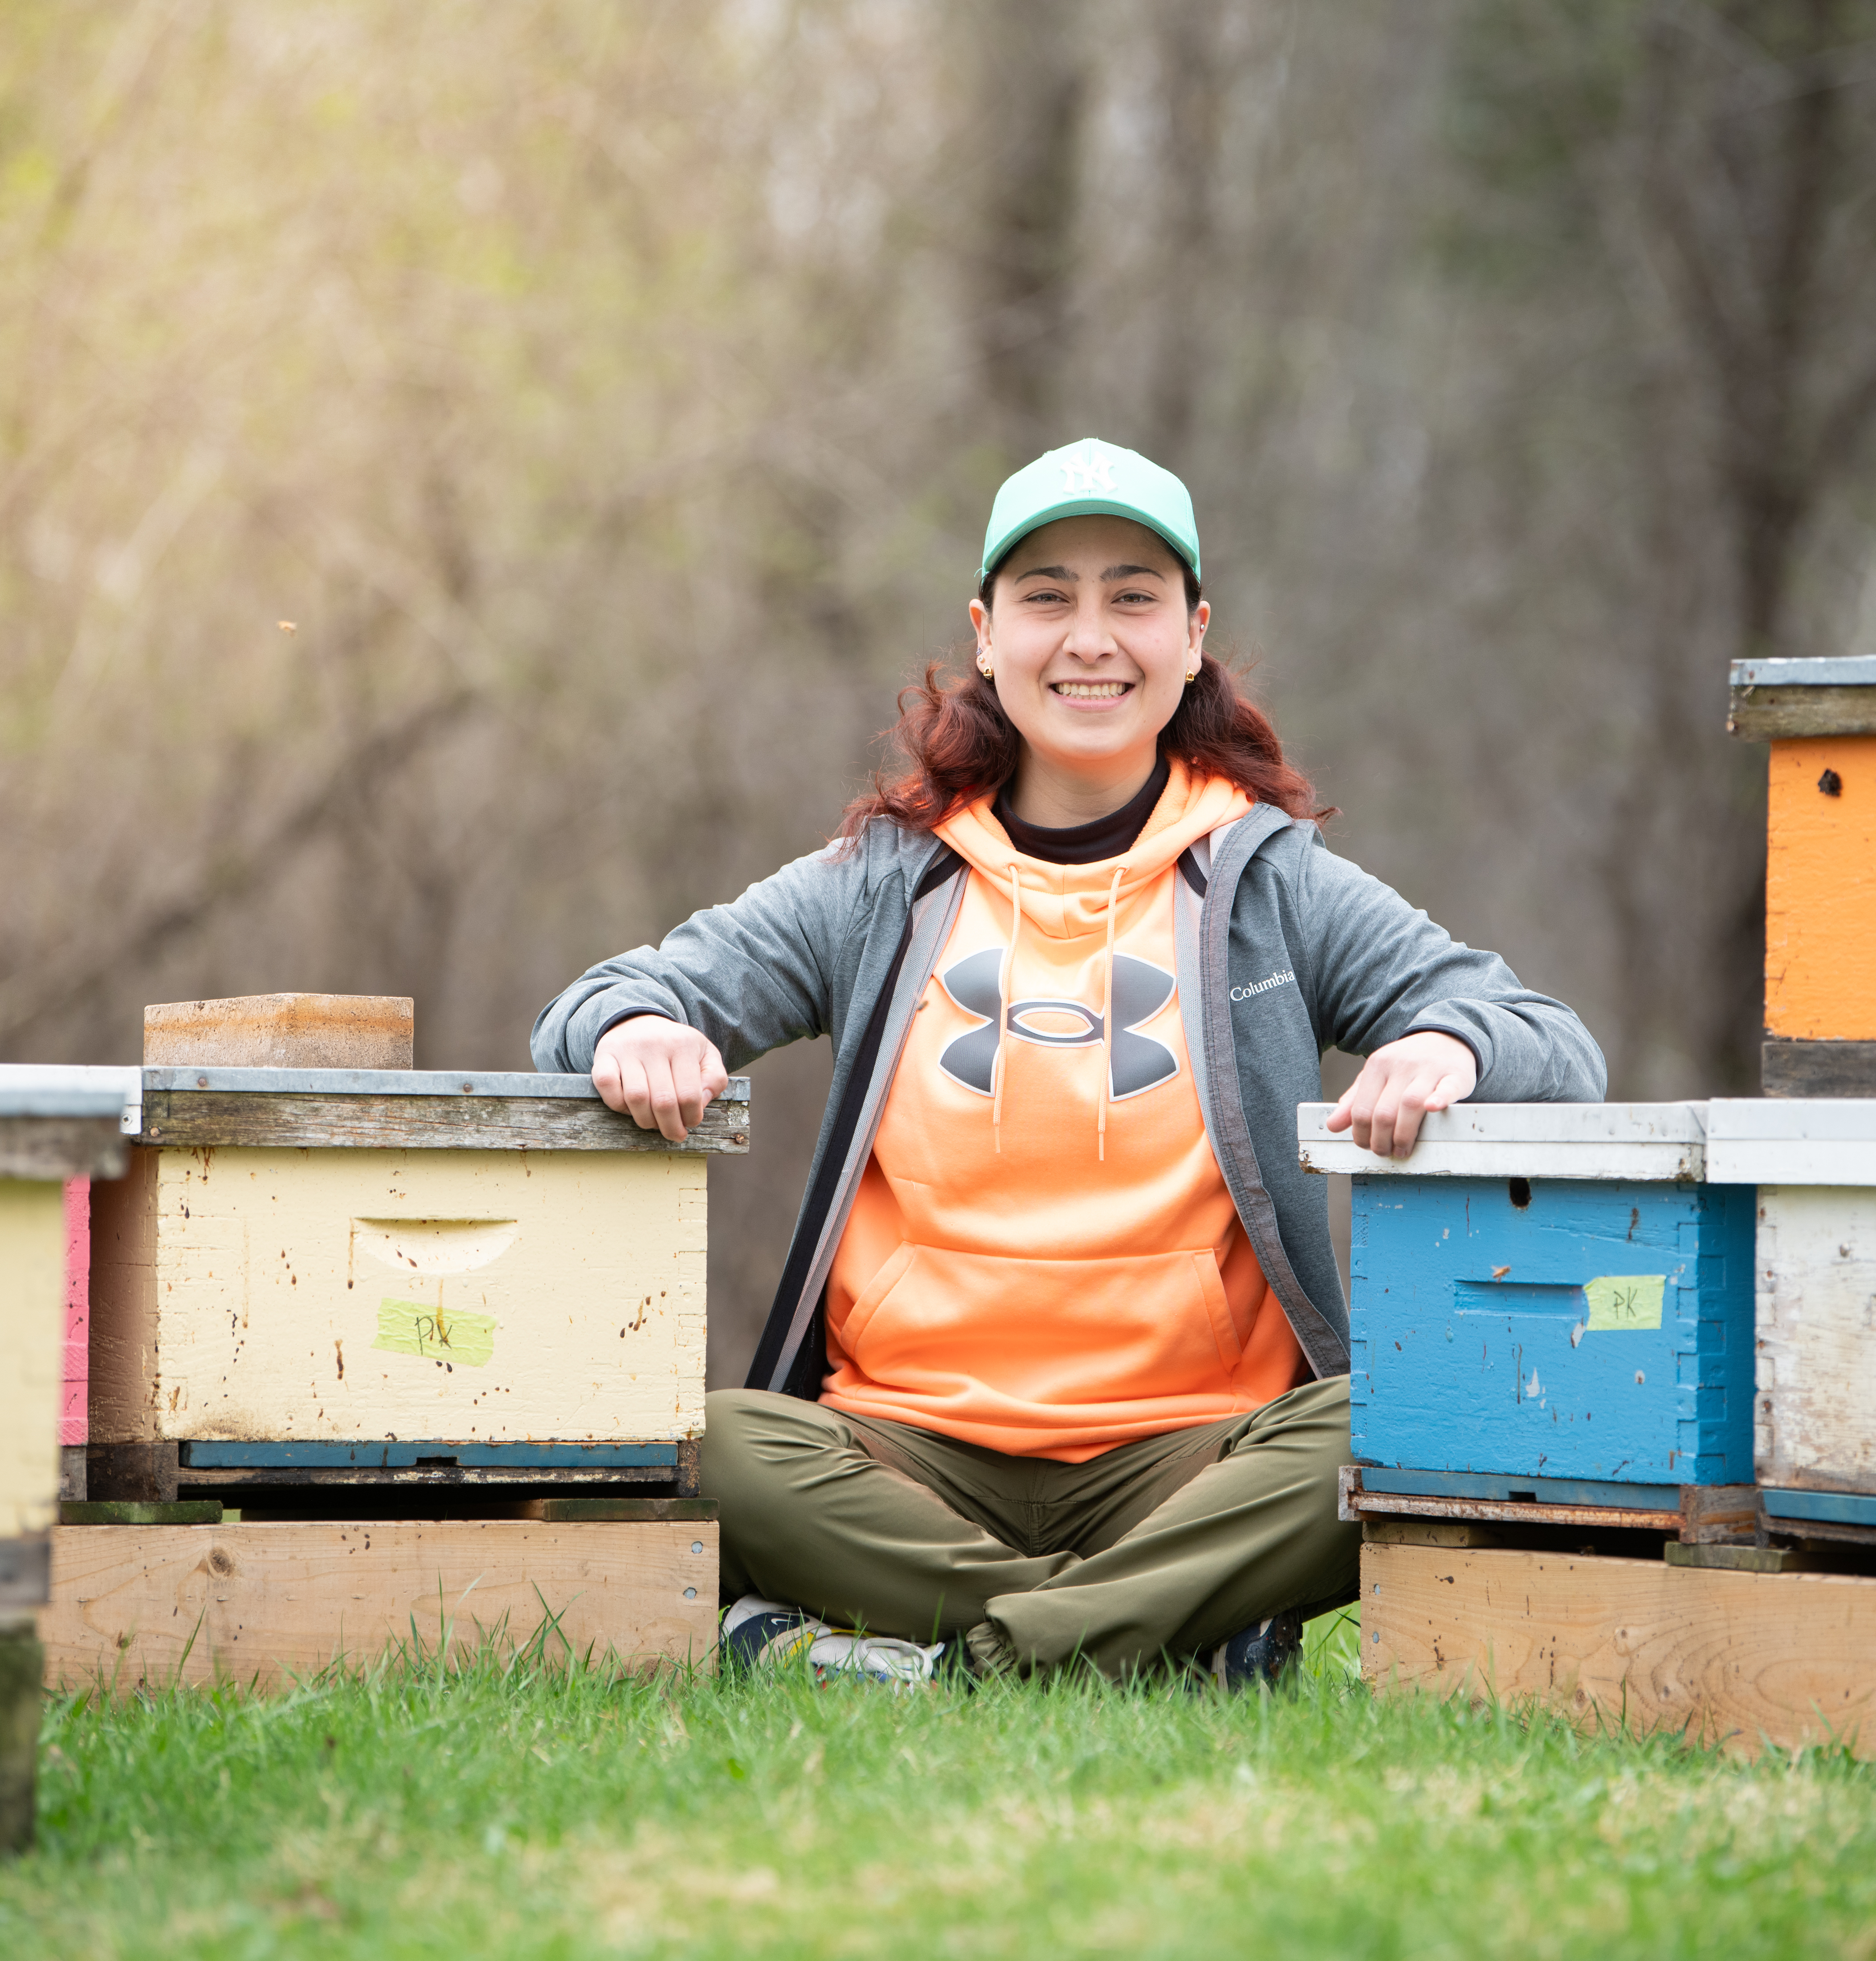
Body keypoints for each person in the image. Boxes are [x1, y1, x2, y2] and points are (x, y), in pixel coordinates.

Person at [532, 437, 1604, 1687]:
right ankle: (1159, 1637)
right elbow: (609, 995)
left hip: (1198, 1460)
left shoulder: (1268, 883)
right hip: (906, 1453)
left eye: (1132, 596)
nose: (1090, 636)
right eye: (1049, 596)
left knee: (1404, 1410)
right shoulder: (886, 882)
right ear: (987, 634)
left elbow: (1548, 1037)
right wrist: (637, 1030)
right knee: (706, 1443)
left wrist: (1447, 1042)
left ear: (1192, 633)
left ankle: (962, 1657)